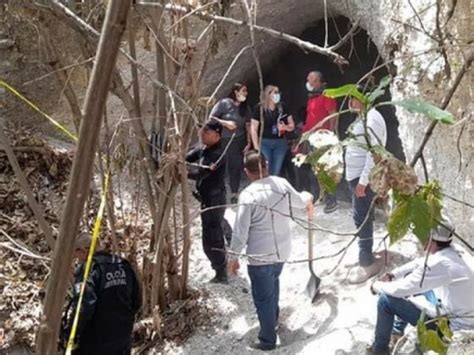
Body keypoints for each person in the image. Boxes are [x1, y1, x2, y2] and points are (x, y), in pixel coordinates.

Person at [228, 151, 313, 351]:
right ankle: (273, 320)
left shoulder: (248, 195)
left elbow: (240, 232)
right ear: (266, 166)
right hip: (282, 251)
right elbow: (300, 202)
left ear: (247, 172)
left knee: (263, 297)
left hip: (260, 255)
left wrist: (233, 257)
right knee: (273, 283)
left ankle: (267, 340)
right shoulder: (280, 183)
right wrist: (308, 196)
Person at [367, 220, 474, 355]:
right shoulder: (457, 250)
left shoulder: (440, 264)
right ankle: (396, 332)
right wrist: (393, 274)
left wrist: (376, 285)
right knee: (413, 284)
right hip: (460, 311)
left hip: (450, 326)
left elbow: (399, 289)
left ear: (430, 238)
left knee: (385, 301)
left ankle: (379, 351)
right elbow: (420, 263)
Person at [60, 233, 141, 354]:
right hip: (123, 336)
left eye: (77, 256)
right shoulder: (122, 265)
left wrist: (72, 332)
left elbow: (84, 306)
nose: (78, 260)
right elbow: (137, 300)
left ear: (83, 251)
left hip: (96, 340)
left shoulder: (88, 269)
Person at [345, 87, 387, 284]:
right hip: (356, 177)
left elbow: (374, 153)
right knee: (361, 215)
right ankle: (366, 253)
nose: (350, 102)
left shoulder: (372, 118)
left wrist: (363, 182)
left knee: (361, 217)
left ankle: (366, 262)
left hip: (362, 179)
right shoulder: (363, 117)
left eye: (353, 98)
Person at [186, 120, 228, 283]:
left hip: (214, 199)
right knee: (213, 229)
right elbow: (189, 157)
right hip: (206, 198)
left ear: (216, 136)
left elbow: (199, 172)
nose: (202, 134)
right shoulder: (204, 146)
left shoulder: (218, 154)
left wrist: (182, 171)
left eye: (206, 132)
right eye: (202, 131)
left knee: (212, 237)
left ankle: (221, 272)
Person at [298, 71, 339, 213]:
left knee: (325, 170)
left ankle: (331, 200)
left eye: (311, 81)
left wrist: (331, 134)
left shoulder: (327, 95)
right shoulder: (312, 97)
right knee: (309, 169)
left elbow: (333, 115)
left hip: (322, 138)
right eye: (308, 80)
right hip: (310, 138)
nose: (308, 83)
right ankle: (316, 196)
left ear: (318, 82)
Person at [210, 83, 252, 203]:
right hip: (222, 140)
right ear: (236, 92)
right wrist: (225, 123)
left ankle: (234, 193)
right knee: (219, 166)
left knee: (235, 167)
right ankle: (216, 192)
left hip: (237, 141)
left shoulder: (245, 108)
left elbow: (248, 125)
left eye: (246, 91)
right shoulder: (223, 104)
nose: (246, 93)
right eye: (243, 91)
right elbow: (212, 118)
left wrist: (248, 142)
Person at [250, 85, 295, 176]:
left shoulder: (283, 107)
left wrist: (285, 127)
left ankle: (274, 188)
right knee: (266, 167)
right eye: (275, 92)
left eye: (278, 92)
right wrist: (256, 147)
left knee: (276, 170)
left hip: (280, 142)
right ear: (268, 94)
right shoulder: (259, 108)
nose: (277, 95)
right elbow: (253, 128)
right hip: (265, 142)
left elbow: (292, 125)